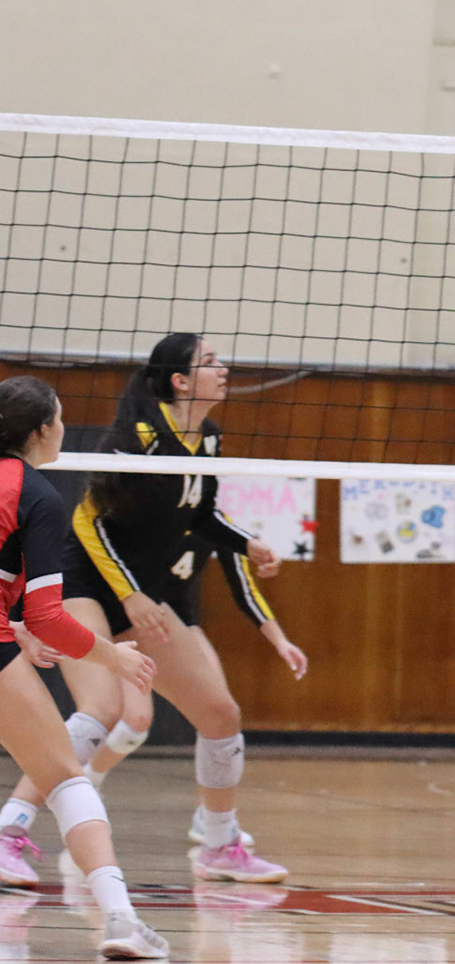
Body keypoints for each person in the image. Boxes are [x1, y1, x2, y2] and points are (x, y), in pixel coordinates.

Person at [0, 334, 288, 885]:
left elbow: (200, 514)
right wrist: (129, 593)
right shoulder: (140, 437)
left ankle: (219, 845)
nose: (223, 369)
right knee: (102, 708)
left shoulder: (208, 438)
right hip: (87, 582)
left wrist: (246, 543)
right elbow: (89, 520)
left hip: (141, 593)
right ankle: (9, 832)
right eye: (210, 362)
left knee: (220, 713)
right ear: (180, 380)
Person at [0, 376, 169, 957]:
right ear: (42, 429)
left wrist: (16, 627)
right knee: (68, 782)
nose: (65, 427)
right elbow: (50, 617)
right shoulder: (39, 496)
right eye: (61, 417)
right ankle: (120, 919)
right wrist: (112, 655)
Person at [80, 537, 308, 844]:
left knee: (220, 715)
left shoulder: (213, 522)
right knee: (136, 723)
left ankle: (210, 817)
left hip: (182, 622)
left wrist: (280, 641)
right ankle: (89, 780)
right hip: (133, 621)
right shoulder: (143, 519)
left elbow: (243, 586)